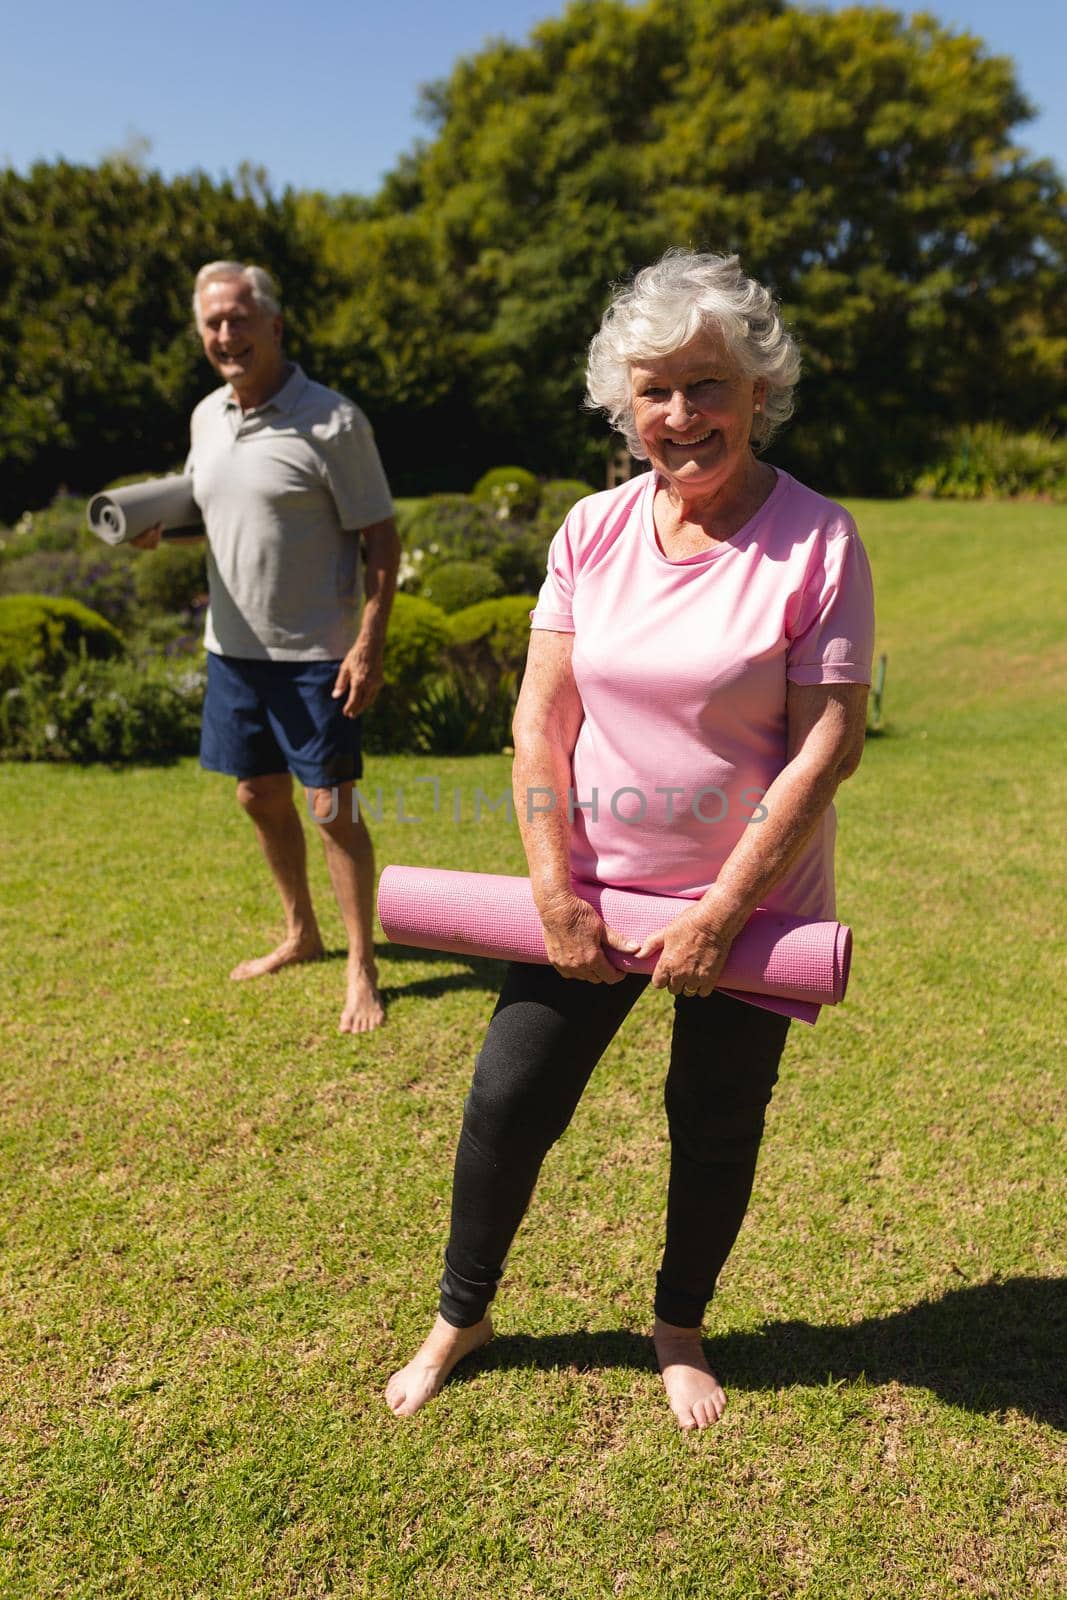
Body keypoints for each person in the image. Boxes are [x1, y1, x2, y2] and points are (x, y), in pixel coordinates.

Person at [385, 249, 875, 1428]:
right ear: (625, 404)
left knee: (712, 1120)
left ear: (758, 390)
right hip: (593, 891)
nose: (679, 415)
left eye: (705, 385)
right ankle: (463, 1310)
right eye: (654, 390)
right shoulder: (591, 531)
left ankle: (677, 1325)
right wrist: (553, 892)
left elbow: (826, 747)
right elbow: (538, 720)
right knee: (507, 1102)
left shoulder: (816, 542)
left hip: (747, 911)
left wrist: (721, 913)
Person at [133, 261, 400, 1034]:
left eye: (239, 319)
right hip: (234, 650)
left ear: (274, 327)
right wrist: (161, 530)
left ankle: (360, 964)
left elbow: (380, 535)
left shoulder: (333, 422)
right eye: (213, 323)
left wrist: (368, 642)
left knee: (332, 806)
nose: (225, 335)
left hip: (317, 652)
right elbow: (209, 508)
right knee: (255, 793)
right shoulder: (207, 416)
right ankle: (300, 933)